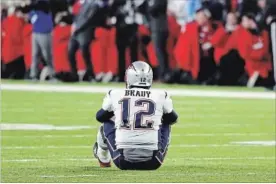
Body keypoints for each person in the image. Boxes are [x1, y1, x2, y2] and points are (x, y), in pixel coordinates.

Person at [93, 61, 178, 170]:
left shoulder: (115, 94)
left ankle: (103, 158)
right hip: (154, 162)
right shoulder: (161, 95)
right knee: (166, 121)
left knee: (107, 121)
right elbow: (173, 118)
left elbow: (100, 117)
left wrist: (116, 112)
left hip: (122, 161)